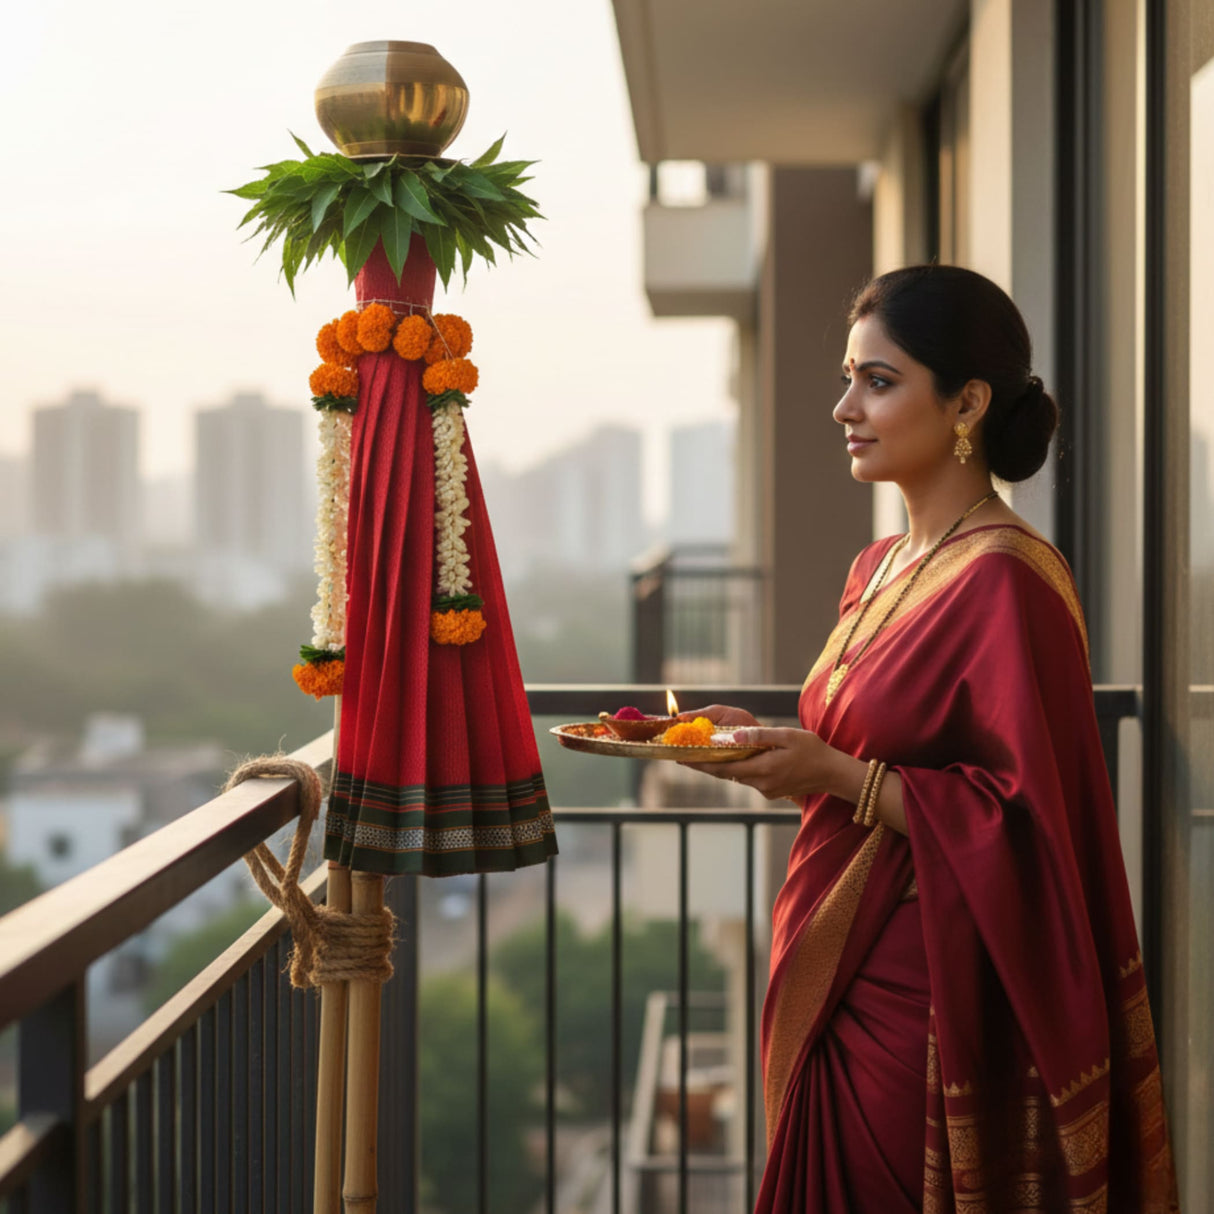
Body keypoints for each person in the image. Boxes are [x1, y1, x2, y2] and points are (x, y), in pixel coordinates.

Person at [680, 265, 1179, 1212]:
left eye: (878, 380)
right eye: (846, 377)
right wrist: (781, 753)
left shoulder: (1008, 582)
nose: (844, 408)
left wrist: (833, 771)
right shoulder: (877, 568)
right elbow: (869, 759)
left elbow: (1030, 827)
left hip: (926, 1007)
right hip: (838, 972)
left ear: (968, 403)